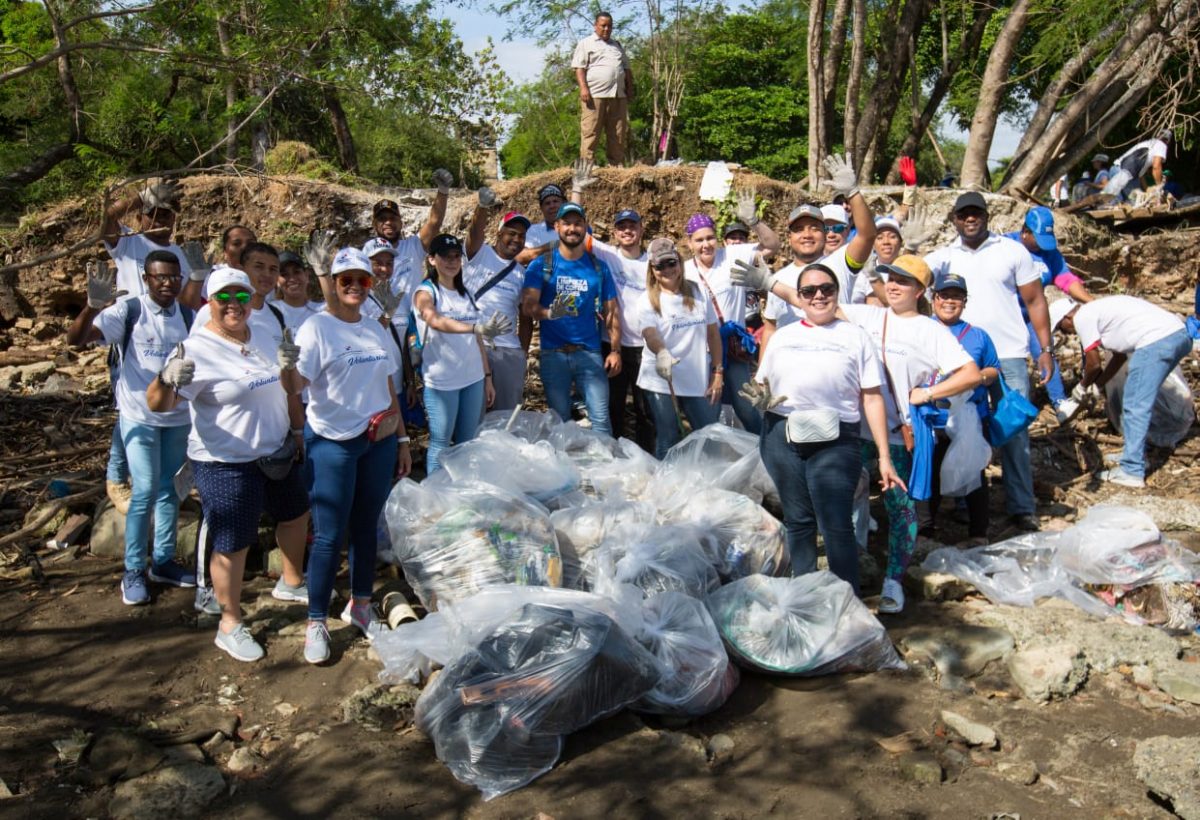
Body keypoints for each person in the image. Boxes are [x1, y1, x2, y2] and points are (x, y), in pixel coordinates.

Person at [145, 268, 311, 662]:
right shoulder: (195, 348)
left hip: (275, 448)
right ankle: (230, 622)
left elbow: (291, 388)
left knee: (295, 514)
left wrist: (290, 369)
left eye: (241, 297)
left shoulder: (267, 336)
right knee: (234, 542)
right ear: (209, 302)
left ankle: (291, 582)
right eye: (224, 298)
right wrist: (166, 379)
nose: (233, 305)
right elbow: (159, 404)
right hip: (226, 461)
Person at [282, 244, 412, 664]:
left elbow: (388, 384)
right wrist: (286, 368)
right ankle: (316, 620)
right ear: (334, 286)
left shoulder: (374, 327)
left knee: (365, 527)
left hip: (379, 440)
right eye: (346, 281)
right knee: (328, 535)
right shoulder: (317, 328)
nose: (355, 286)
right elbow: (297, 387)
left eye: (362, 280)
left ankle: (359, 605)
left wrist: (404, 439)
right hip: (334, 441)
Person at [744, 262, 903, 596]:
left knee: (835, 523)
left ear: (837, 293)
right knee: (798, 520)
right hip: (781, 433)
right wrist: (762, 399)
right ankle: (805, 598)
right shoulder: (784, 336)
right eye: (809, 291)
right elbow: (762, 384)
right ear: (799, 297)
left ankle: (848, 603)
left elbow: (872, 397)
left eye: (826, 289)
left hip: (836, 438)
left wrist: (884, 456)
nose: (818, 296)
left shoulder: (855, 336)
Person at [839, 256, 981, 613]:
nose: (894, 285)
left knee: (899, 508)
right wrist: (767, 282)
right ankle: (848, 579)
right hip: (856, 431)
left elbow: (970, 374)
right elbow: (814, 301)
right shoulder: (869, 315)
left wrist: (929, 393)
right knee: (844, 500)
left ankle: (893, 583)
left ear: (920, 291)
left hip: (897, 433)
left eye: (904, 281)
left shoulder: (931, 331)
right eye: (891, 278)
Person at [68, 251, 196, 605]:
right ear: (146, 278)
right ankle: (134, 569)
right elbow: (75, 340)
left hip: (179, 418)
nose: (168, 283)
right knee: (143, 493)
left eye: (174, 277)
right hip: (139, 417)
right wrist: (92, 306)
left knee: (171, 490)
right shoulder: (129, 312)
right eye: (160, 277)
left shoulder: (189, 316)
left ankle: (165, 561)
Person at [924, 191, 1052, 533]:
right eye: (963, 214)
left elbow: (1036, 300)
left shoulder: (1012, 251)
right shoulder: (942, 257)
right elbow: (907, 284)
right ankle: (966, 503)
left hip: (1007, 354)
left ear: (986, 216)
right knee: (962, 430)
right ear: (954, 218)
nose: (970, 219)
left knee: (1013, 433)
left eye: (975, 213)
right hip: (957, 359)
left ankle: (1021, 506)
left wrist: (1046, 349)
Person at [99, 178, 193, 515]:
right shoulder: (129, 242)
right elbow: (104, 222)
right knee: (129, 409)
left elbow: (186, 302)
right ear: (142, 217)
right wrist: (138, 198)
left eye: (167, 215)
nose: (161, 221)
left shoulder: (179, 255)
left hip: (169, 341)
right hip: (130, 337)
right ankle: (117, 479)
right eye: (154, 213)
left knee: (168, 406)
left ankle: (162, 486)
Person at [1050, 296, 1192, 488]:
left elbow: (1093, 363)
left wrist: (1081, 387)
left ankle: (1132, 470)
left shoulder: (1082, 317)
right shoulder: (1098, 312)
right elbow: (1118, 358)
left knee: (1135, 405)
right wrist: (1098, 386)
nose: (1066, 332)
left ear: (1067, 318)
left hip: (1156, 341)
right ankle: (1135, 453)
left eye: (1060, 327)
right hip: (1178, 335)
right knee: (1139, 399)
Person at [753, 155, 876, 352]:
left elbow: (867, 235)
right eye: (799, 229)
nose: (807, 235)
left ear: (825, 233)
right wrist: (761, 377)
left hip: (836, 360)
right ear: (790, 236)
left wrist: (853, 193)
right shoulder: (776, 278)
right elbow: (770, 329)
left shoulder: (841, 263)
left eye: (814, 228)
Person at [682, 192, 781, 434]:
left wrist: (754, 221)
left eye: (709, 238)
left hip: (734, 348)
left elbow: (773, 245)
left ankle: (763, 454)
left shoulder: (733, 255)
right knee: (710, 409)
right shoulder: (684, 271)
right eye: (698, 240)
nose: (705, 245)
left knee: (747, 408)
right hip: (702, 352)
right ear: (689, 243)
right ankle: (715, 459)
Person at [521, 202, 621, 435]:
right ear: (557, 227)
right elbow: (528, 306)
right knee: (560, 422)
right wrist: (549, 313)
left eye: (578, 223)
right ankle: (565, 468)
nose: (572, 228)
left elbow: (611, 312)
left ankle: (603, 468)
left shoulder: (598, 268)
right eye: (567, 223)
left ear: (585, 227)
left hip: (589, 354)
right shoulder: (542, 265)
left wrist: (615, 350)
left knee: (600, 420)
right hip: (553, 356)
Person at [916, 273, 1001, 546]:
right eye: (944, 295)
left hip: (969, 417)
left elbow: (993, 368)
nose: (950, 302)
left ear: (965, 302)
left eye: (956, 297)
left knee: (973, 472)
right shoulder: (918, 328)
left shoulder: (977, 336)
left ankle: (978, 534)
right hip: (930, 417)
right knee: (929, 472)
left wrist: (978, 378)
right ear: (933, 298)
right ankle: (925, 532)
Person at [413, 234, 508, 472]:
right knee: (441, 442)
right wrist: (475, 327)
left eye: (456, 256)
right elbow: (433, 320)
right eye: (445, 256)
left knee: (467, 441)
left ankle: (460, 490)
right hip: (442, 381)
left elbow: (477, 340)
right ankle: (434, 493)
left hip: (473, 378)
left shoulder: (466, 294)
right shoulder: (425, 292)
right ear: (432, 260)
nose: (452, 261)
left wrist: (487, 378)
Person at [1003, 206, 1093, 424]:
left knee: (1045, 352)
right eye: (1038, 239)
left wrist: (1091, 303)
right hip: (1005, 315)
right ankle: (1004, 404)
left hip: (1032, 315)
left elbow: (1066, 280)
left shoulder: (1050, 254)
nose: (1042, 246)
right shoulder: (1005, 245)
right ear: (1025, 232)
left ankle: (1059, 401)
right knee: (1005, 362)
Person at [635, 238, 722, 458]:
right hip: (662, 378)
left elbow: (713, 333)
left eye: (671, 263)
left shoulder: (698, 291)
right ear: (652, 270)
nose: (667, 270)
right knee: (669, 435)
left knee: (708, 434)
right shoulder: (646, 300)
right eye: (660, 266)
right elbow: (650, 334)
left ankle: (707, 479)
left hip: (696, 377)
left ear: (679, 263)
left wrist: (718, 372)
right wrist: (662, 352)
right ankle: (664, 484)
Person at [465, 196, 533, 413]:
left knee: (504, 415)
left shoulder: (522, 274)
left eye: (521, 236)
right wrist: (482, 206)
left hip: (508, 350)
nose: (516, 239)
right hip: (474, 345)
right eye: (511, 233)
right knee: (473, 413)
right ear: (499, 233)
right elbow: (475, 232)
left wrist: (521, 354)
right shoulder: (479, 253)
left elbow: (526, 319)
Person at [571, 11, 632, 167]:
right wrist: (583, 88)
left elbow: (626, 69)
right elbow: (579, 68)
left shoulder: (616, 45)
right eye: (603, 25)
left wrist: (630, 88)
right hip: (594, 95)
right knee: (591, 131)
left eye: (609, 26)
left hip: (618, 95)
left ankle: (617, 164)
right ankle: (587, 165)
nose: (606, 29)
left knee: (618, 133)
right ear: (595, 25)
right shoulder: (586, 43)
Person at [180, 225, 258, 309]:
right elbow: (188, 310)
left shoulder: (268, 275)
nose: (244, 247)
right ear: (225, 252)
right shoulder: (209, 276)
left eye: (250, 243)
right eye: (236, 244)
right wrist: (197, 278)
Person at [1103, 130, 1171, 201]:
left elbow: (1141, 175)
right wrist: (1160, 187)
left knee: (1119, 203)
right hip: (1125, 174)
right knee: (1133, 202)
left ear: (1157, 136)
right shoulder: (1161, 145)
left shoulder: (1148, 144)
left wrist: (1146, 189)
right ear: (1168, 141)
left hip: (1116, 170)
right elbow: (1156, 167)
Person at [268, 251, 323, 330]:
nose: (292, 279)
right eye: (284, 274)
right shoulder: (270, 310)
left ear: (306, 275)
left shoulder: (321, 309)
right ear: (277, 280)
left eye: (296, 272)